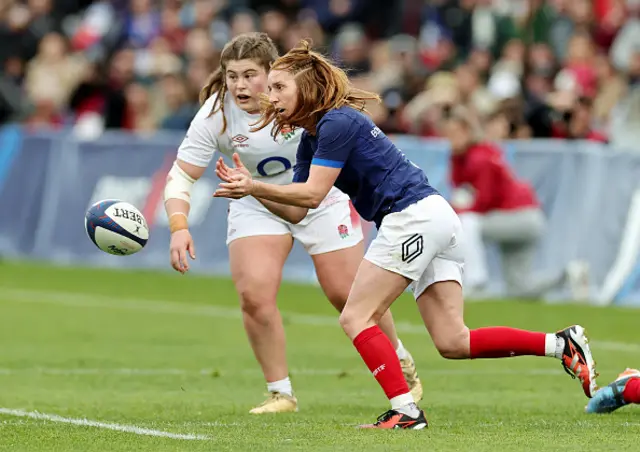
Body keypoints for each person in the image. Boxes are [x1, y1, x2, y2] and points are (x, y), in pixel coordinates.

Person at [213, 40, 599, 429]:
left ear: (307, 88)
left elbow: (312, 193)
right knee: (453, 341)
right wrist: (252, 191)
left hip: (412, 218)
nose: (269, 95)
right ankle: (561, 344)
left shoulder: (336, 122)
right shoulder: (314, 138)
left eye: (280, 87)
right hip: (433, 216)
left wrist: (255, 187)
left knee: (356, 317)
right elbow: (299, 208)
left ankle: (406, 410)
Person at [162, 32, 423, 414]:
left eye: (250, 74)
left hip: (319, 196)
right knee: (254, 293)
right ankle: (280, 392)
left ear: (272, 73)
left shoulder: (300, 100)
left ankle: (398, 358)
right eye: (232, 75)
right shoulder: (217, 114)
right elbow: (181, 176)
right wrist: (179, 226)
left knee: (348, 295)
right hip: (256, 198)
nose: (239, 85)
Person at [441, 105, 573, 299]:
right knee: (520, 289)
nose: (450, 138)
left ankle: (476, 281)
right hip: (519, 217)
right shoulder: (463, 157)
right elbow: (462, 189)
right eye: (447, 133)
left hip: (519, 218)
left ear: (468, 131)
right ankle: (568, 275)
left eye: (455, 132)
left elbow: (483, 202)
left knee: (465, 223)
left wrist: (456, 210)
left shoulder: (479, 158)